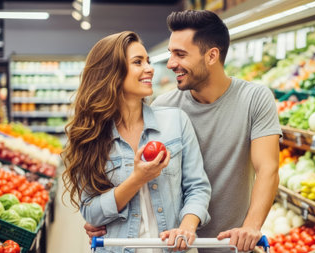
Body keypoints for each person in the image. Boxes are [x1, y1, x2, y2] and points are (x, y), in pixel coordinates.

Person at [86, 10, 282, 252]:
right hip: (177, 243)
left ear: (211, 56)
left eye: (180, 54)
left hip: (232, 243)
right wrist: (105, 216)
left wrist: (251, 227)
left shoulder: (254, 99)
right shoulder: (164, 108)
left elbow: (268, 168)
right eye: (170, 54)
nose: (169, 64)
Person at [62, 31, 211, 253]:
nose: (149, 68)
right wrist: (137, 179)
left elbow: (197, 187)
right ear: (111, 72)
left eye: (148, 61)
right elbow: (91, 212)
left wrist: (186, 227)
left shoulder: (175, 121)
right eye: (137, 62)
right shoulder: (91, 136)